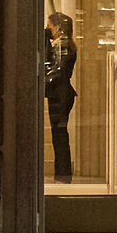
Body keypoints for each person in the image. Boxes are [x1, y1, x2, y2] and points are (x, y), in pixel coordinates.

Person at [44, 11, 78, 182]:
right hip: (63, 93)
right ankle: (62, 174)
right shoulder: (65, 44)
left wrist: (42, 83)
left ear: (57, 28)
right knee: (60, 135)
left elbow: (57, 71)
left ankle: (63, 174)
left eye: (49, 26)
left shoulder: (60, 45)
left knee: (59, 136)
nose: (48, 30)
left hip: (59, 94)